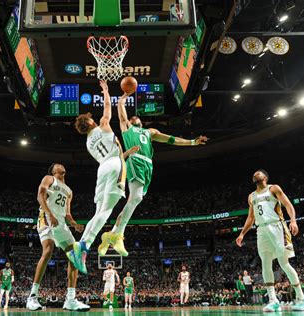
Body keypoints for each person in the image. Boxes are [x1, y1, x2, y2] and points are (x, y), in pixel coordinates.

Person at [98, 93, 208, 256]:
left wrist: (192, 142)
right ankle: (118, 235)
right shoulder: (127, 128)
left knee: (135, 201)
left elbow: (171, 139)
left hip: (148, 165)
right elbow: (122, 115)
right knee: (135, 198)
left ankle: (111, 234)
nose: (133, 117)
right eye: (132, 116)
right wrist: (121, 101)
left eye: (136, 117)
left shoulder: (150, 132)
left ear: (141, 121)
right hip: (135, 161)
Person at [73, 80, 139, 272]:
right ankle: (84, 245)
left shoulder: (87, 143)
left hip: (102, 170)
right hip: (114, 165)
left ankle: (82, 244)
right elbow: (108, 107)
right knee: (106, 212)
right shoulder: (102, 124)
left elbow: (111, 154)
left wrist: (125, 154)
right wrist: (105, 91)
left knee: (99, 211)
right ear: (91, 122)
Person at [236, 169, 304, 312]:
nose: (255, 174)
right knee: (265, 264)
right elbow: (251, 218)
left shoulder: (274, 188)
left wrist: (293, 221)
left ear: (265, 177)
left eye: (258, 173)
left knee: (284, 263)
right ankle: (273, 300)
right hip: (261, 230)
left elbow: (288, 205)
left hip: (277, 226)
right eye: (253, 173)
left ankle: (302, 297)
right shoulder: (251, 196)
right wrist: (242, 234)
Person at [26, 163, 90, 311]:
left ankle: (71, 299)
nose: (61, 165)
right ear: (54, 171)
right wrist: (49, 214)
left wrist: (74, 224)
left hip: (61, 222)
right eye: (57, 165)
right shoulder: (49, 178)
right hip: (46, 217)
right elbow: (40, 195)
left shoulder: (69, 190)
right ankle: (32, 297)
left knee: (75, 255)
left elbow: (67, 213)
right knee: (48, 251)